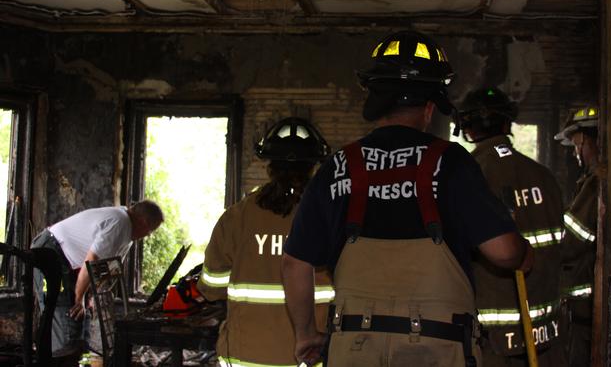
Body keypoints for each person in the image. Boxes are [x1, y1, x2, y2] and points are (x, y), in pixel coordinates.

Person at [282, 30, 533, 367]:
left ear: (374, 101)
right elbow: (503, 252)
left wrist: (306, 333)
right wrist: (523, 253)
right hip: (437, 349)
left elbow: (295, 262)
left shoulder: (339, 166)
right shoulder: (452, 162)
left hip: (354, 347)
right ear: (430, 108)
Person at [197, 117, 334, 367]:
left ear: (269, 166)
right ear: (314, 166)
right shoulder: (330, 217)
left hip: (246, 357)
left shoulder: (237, 217)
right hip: (310, 357)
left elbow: (211, 287)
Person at [457, 87, 567, 366]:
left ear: (466, 129)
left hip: (491, 338)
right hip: (547, 331)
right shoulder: (544, 176)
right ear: (508, 125)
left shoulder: (467, 176)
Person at [30, 200, 164, 359]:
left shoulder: (127, 234)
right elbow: (91, 262)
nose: (146, 236)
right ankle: (61, 359)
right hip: (50, 253)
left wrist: (92, 296)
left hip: (69, 263)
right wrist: (79, 298)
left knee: (81, 316)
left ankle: (75, 358)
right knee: (66, 315)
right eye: (150, 232)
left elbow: (107, 268)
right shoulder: (119, 223)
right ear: (143, 222)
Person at [554, 105, 599, 367]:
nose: (575, 152)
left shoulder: (596, 184)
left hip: (586, 307)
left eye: (575, 144)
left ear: (585, 140)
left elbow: (571, 241)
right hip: (585, 307)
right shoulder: (592, 181)